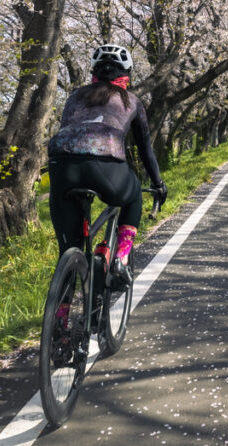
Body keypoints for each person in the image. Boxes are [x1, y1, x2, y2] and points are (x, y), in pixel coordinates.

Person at [47, 44, 167, 284]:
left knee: (70, 249)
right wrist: (158, 183)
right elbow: (145, 149)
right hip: (105, 164)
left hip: (61, 165)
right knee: (133, 193)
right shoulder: (131, 100)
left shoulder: (74, 96)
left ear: (95, 72)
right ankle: (121, 257)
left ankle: (59, 316)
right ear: (127, 73)